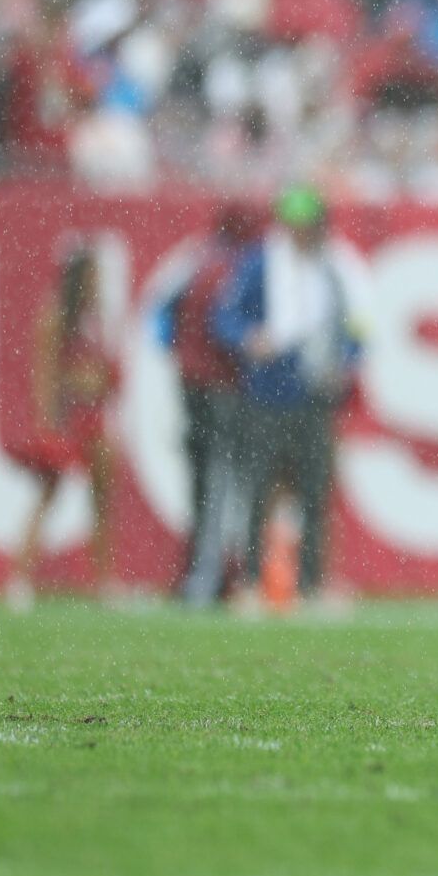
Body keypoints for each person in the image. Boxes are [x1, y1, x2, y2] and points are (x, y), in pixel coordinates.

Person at [214, 185, 368, 611]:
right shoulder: (260, 265)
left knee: (315, 491)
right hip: (266, 391)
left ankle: (312, 583)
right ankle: (248, 582)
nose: (300, 234)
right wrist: (248, 337)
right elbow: (225, 317)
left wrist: (349, 358)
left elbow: (359, 324)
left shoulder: (336, 268)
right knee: (259, 489)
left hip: (316, 393)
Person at [155, 202, 261, 606]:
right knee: (225, 479)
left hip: (194, 385)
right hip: (220, 386)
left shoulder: (197, 261)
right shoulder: (238, 264)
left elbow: (162, 318)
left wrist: (181, 357)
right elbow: (226, 325)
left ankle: (201, 573)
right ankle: (214, 576)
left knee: (203, 482)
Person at [6, 242, 121, 608]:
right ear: (77, 278)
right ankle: (19, 578)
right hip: (68, 419)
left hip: (95, 419)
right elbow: (45, 375)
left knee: (102, 502)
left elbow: (105, 370)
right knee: (47, 497)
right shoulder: (56, 315)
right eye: (92, 276)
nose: (97, 283)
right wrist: (49, 424)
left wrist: (101, 382)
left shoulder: (96, 318)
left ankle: (103, 582)